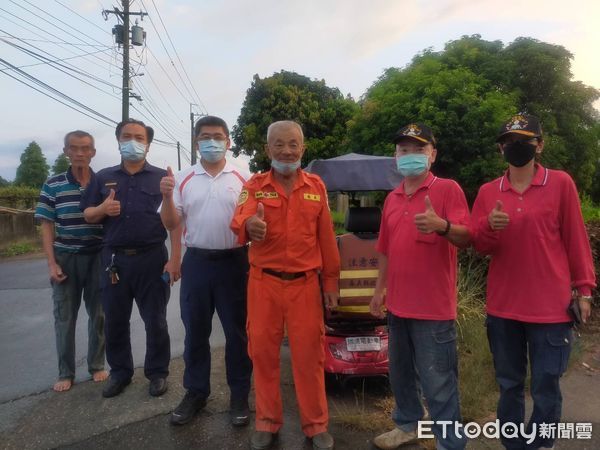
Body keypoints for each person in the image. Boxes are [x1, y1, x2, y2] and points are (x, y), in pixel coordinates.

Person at [470, 114, 596, 449]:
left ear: (539, 145)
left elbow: (575, 238)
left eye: (525, 139)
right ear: (501, 149)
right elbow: (480, 246)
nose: (517, 146)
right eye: (509, 141)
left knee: (545, 383)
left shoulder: (560, 184)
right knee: (509, 383)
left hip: (550, 310)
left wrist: (584, 289)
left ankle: (542, 443)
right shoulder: (487, 192)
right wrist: (489, 227)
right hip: (503, 309)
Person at [230, 120, 340, 450]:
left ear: (303, 148)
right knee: (262, 354)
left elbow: (327, 238)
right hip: (264, 284)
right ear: (267, 150)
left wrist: (331, 283)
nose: (286, 150)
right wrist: (251, 224)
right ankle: (267, 421)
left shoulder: (315, 186)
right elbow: (239, 218)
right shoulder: (255, 185)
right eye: (278, 144)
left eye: (293, 144)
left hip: (305, 285)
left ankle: (316, 424)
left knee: (309, 356)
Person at [369, 123, 469, 450]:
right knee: (400, 375)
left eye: (418, 149)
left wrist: (442, 226)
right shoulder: (393, 198)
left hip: (433, 310)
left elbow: (467, 237)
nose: (410, 156)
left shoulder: (447, 189)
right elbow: (384, 249)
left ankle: (449, 442)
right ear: (395, 156)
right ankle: (408, 424)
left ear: (433, 154)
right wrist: (378, 290)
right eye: (403, 150)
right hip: (397, 305)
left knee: (439, 382)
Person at [159, 115, 252, 426]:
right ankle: (196, 392)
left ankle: (240, 394)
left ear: (228, 141)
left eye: (218, 136)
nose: (211, 141)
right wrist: (165, 195)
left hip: (235, 263)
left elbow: (254, 219)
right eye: (205, 136)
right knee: (195, 332)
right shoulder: (183, 178)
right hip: (197, 263)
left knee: (238, 333)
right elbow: (171, 223)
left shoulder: (244, 176)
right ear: (196, 141)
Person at [80, 118, 181, 399]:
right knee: (114, 320)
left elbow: (174, 223)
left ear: (148, 144)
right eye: (127, 136)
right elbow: (87, 214)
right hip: (115, 260)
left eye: (139, 137)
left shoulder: (162, 178)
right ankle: (120, 373)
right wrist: (102, 207)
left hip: (152, 258)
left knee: (156, 321)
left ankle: (157, 373)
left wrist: (174, 259)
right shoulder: (103, 176)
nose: (133, 141)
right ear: (118, 141)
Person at [35, 130, 107, 392]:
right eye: (74, 148)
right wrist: (52, 263)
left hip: (97, 255)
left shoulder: (102, 183)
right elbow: (46, 225)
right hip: (66, 256)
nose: (80, 153)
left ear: (93, 152)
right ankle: (66, 372)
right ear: (66, 151)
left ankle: (97, 365)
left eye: (85, 148)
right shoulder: (53, 184)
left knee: (99, 314)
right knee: (65, 317)